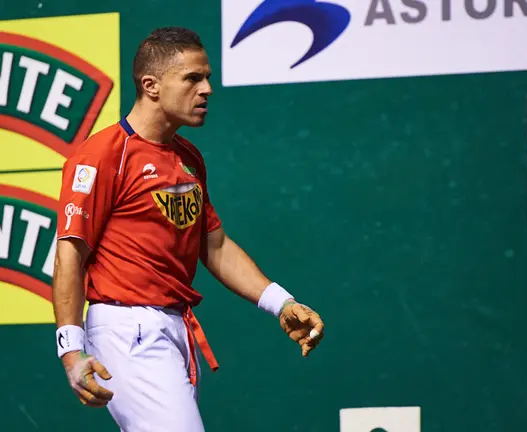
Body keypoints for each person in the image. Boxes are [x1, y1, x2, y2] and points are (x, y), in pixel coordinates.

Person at [51, 26, 325, 431]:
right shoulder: (103, 155)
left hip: (174, 329)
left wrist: (282, 303)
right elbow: (70, 254)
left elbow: (214, 246)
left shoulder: (188, 158)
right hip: (129, 332)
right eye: (193, 78)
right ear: (152, 85)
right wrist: (72, 353)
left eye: (207, 77)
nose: (207, 89)